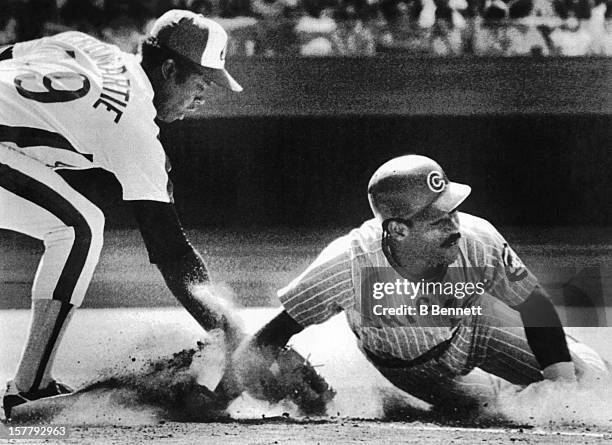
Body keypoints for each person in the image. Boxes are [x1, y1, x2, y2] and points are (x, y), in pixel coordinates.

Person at [217, 154, 609, 411]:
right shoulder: (349, 264)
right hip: (409, 366)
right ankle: (498, 390)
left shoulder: (478, 237)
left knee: (588, 377)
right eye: (438, 219)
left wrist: (562, 389)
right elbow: (276, 331)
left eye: (453, 211)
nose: (454, 224)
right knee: (487, 413)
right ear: (400, 230)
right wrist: (217, 400)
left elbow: (534, 304)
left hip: (475, 331)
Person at [0, 10, 243, 419]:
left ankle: (32, 384)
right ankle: (28, 390)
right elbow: (171, 252)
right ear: (168, 69)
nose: (201, 98)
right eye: (200, 83)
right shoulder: (134, 127)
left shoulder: (86, 44)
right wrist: (231, 333)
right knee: (78, 228)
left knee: (75, 225)